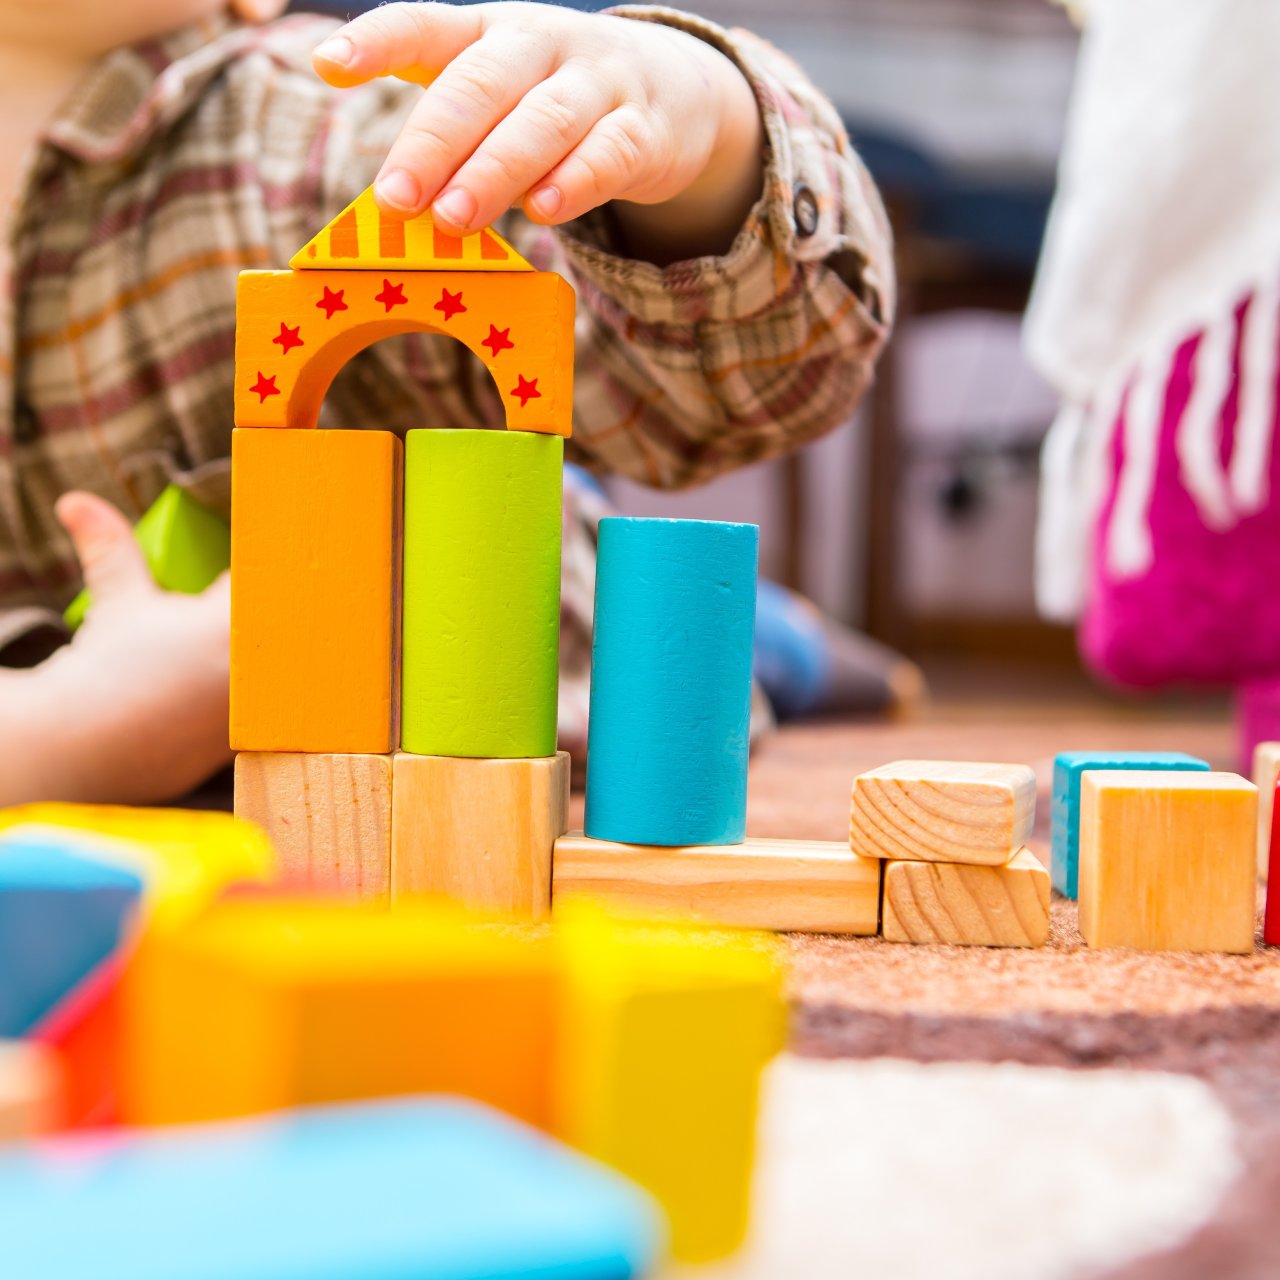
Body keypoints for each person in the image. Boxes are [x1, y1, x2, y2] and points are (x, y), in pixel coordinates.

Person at [0, 0, 893, 804]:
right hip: (210, 737)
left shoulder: (339, 138)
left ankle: (781, 642)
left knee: (685, 637)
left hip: (508, 663)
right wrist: (65, 732)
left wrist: (705, 146)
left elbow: (740, 394)